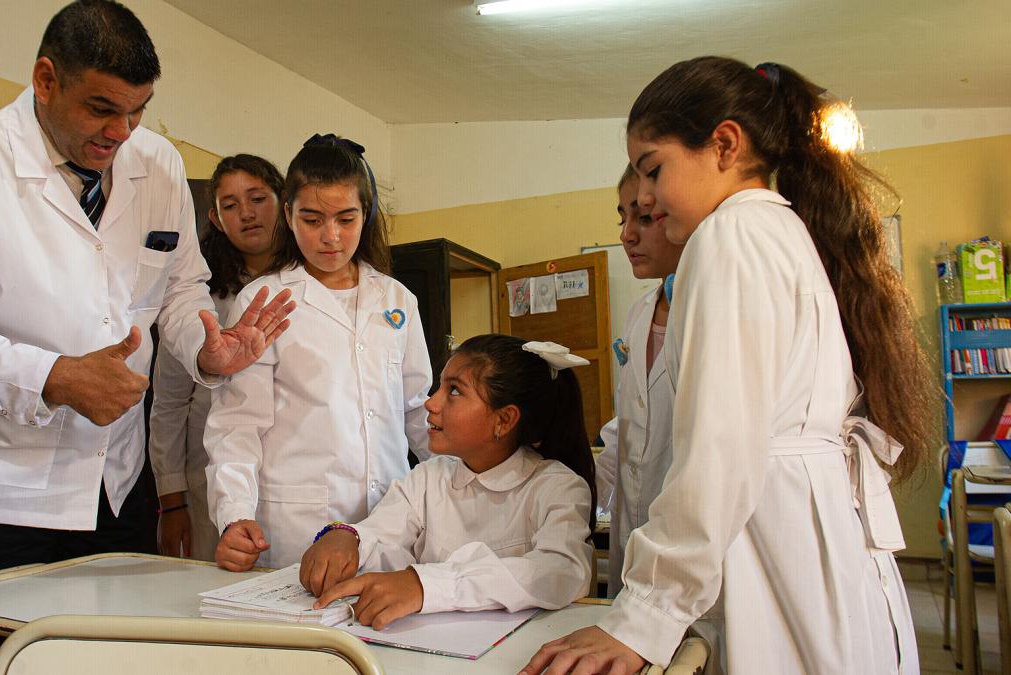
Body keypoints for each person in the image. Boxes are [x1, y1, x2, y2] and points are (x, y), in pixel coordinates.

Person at [0, 1, 293, 671]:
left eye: (138, 111)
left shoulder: (156, 162)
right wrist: (55, 377)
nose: (122, 132)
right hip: (3, 496)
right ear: (45, 80)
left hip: (117, 485)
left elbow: (180, 284)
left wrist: (205, 346)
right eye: (102, 109)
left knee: (113, 661)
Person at [523, 57, 933, 674]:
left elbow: (720, 446)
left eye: (654, 171)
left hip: (772, 545)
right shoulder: (777, 229)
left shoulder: (730, 236)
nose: (650, 202)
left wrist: (644, 619)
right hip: (806, 540)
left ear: (723, 143)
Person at [206, 133, 432, 571]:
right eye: (312, 220)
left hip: (390, 520)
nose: (330, 237)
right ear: (288, 215)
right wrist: (234, 515)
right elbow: (237, 425)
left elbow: (418, 412)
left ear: (365, 215)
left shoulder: (397, 300)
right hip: (297, 527)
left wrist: (474, 483)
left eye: (346, 219)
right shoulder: (264, 299)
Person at [300, 334, 595, 630]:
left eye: (454, 391)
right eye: (439, 387)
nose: (431, 403)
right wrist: (348, 537)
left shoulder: (557, 487)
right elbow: (383, 534)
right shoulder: (429, 477)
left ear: (503, 420)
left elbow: (559, 572)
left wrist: (425, 586)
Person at [150, 154, 284, 560]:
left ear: (284, 200)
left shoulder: (312, 285)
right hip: (208, 482)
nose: (246, 213)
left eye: (258, 198)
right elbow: (170, 402)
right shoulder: (198, 298)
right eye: (230, 205)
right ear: (215, 217)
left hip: (293, 482)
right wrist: (171, 502)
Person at [593, 165, 684, 597]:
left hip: (688, 540)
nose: (627, 235)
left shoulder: (711, 308)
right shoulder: (638, 314)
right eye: (622, 219)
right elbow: (630, 424)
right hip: (636, 531)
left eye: (644, 218)